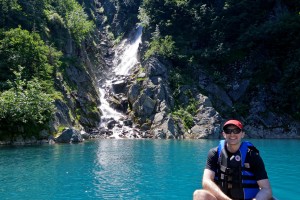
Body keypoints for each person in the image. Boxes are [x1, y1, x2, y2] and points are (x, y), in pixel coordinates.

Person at [193, 119, 273, 200]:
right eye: (228, 131)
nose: (232, 134)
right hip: (223, 199)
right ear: (224, 134)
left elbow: (266, 189)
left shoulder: (253, 156)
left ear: (242, 134)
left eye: (236, 130)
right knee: (199, 195)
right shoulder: (214, 153)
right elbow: (206, 181)